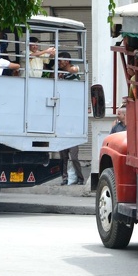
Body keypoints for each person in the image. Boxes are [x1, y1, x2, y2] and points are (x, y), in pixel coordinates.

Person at [57, 51, 84, 186]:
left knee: (74, 156)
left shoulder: (73, 71)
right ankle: (64, 178)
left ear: (66, 61)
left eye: (60, 61)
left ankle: (80, 178)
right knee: (63, 157)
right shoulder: (59, 73)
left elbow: (75, 69)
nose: (58, 63)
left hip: (73, 127)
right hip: (63, 124)